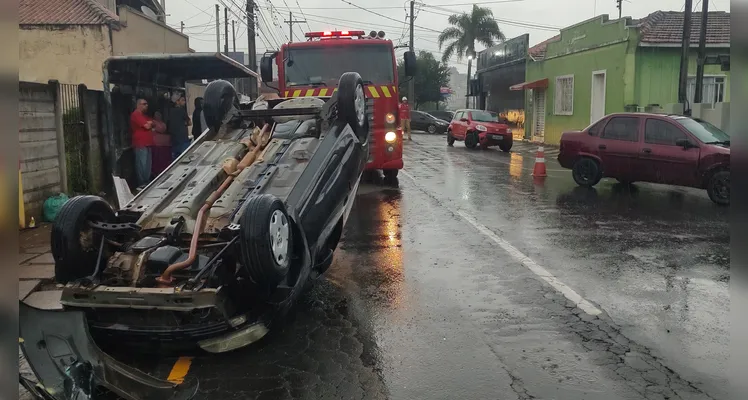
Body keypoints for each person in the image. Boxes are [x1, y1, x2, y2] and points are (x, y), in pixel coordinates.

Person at [130, 97, 153, 187]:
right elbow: (147, 126)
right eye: (144, 104)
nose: (146, 106)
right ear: (138, 105)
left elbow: (153, 123)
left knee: (147, 164)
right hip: (140, 143)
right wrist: (149, 123)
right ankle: (141, 183)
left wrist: (150, 123)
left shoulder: (144, 115)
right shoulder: (136, 114)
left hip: (147, 143)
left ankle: (146, 181)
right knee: (141, 164)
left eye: (147, 104)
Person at [168, 94, 192, 160]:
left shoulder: (169, 111)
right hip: (183, 139)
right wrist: (183, 123)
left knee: (175, 160)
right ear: (177, 102)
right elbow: (189, 123)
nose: (184, 102)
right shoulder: (182, 110)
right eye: (182, 100)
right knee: (185, 158)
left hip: (174, 139)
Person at [150, 111, 171, 177]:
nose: (158, 116)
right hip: (157, 144)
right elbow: (161, 129)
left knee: (162, 160)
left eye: (159, 115)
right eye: (157, 115)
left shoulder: (161, 123)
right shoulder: (153, 122)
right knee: (158, 160)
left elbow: (161, 129)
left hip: (162, 144)